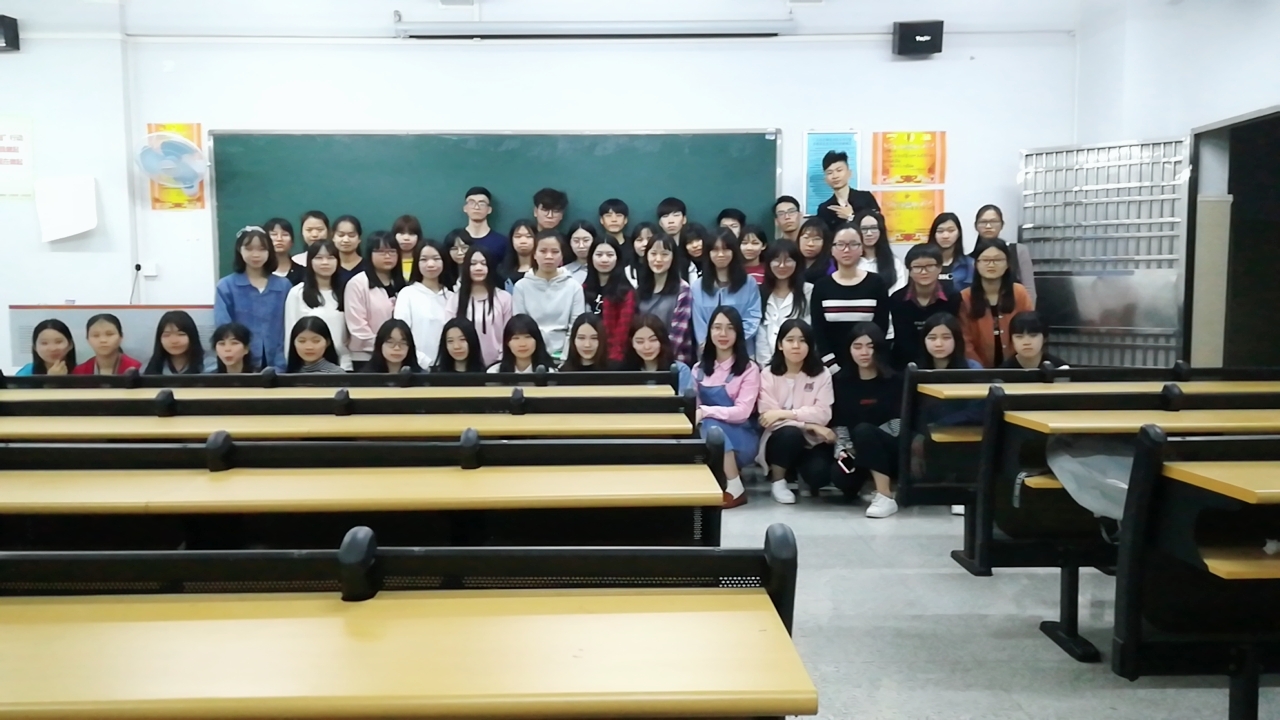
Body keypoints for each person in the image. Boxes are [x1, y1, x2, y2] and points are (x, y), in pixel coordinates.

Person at [756, 319, 835, 505]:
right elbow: (768, 417)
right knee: (790, 434)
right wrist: (808, 425)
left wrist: (784, 414)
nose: (796, 346)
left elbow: (823, 414)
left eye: (802, 340)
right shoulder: (768, 374)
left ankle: (799, 473)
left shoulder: (822, 374)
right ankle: (778, 481)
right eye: (790, 340)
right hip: (780, 440)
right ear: (780, 345)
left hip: (813, 442)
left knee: (820, 476)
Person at [828, 323, 902, 518]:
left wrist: (868, 442)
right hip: (855, 450)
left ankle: (885, 496)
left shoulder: (895, 380)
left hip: (889, 447)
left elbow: (898, 423)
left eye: (870, 346)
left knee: (864, 431)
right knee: (840, 477)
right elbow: (839, 424)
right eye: (858, 346)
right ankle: (867, 484)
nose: (864, 352)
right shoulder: (840, 381)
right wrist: (844, 449)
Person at [694, 306, 760, 509]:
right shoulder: (698, 369)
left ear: (738, 333)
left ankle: (735, 487)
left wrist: (706, 411)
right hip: (706, 435)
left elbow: (742, 413)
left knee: (712, 425)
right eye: (717, 327)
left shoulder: (749, 369)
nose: (723, 333)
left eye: (730, 328)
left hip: (742, 437)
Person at [810, 222, 889, 371]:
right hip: (832, 368)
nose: (846, 250)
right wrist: (832, 367)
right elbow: (818, 332)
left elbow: (881, 327)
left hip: (869, 365)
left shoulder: (876, 283)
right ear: (832, 250)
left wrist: (869, 363)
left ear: (861, 249)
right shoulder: (821, 286)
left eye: (853, 244)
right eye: (840, 244)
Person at [214, 226, 291, 372]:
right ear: (239, 250)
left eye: (262, 249)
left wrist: (281, 361)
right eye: (249, 249)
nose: (256, 254)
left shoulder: (283, 286)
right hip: (240, 365)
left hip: (280, 361)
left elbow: (288, 326)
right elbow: (224, 329)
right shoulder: (226, 286)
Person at [511, 230, 585, 361]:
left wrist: (565, 357)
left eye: (555, 252)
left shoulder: (574, 287)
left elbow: (576, 327)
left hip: (565, 356)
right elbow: (521, 327)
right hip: (532, 355)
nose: (549, 256)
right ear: (534, 254)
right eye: (543, 251)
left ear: (562, 255)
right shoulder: (521, 287)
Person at [960, 238, 1034, 368]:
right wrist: (978, 370)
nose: (991, 264)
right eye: (985, 260)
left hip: (1017, 366)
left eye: (998, 260)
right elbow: (965, 340)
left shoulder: (1019, 293)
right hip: (977, 370)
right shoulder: (965, 297)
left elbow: (1030, 329)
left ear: (1007, 264)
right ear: (976, 264)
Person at [889, 244, 961, 369]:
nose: (924, 272)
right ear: (909, 270)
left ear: (939, 268)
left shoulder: (952, 297)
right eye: (917, 267)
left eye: (930, 266)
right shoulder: (897, 299)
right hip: (905, 364)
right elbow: (902, 339)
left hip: (944, 363)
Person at [284, 240, 352, 370]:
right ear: (310, 262)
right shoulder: (297, 293)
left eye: (330, 258)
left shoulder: (346, 291)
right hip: (307, 366)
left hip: (343, 364)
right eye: (319, 258)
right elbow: (290, 333)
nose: (325, 262)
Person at [692, 228, 761, 352]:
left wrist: (732, 341)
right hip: (708, 352)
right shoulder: (698, 286)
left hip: (742, 350)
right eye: (715, 249)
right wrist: (711, 345)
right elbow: (699, 324)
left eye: (725, 249)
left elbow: (752, 318)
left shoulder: (749, 283)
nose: (720, 254)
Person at [344, 231, 402, 370]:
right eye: (381, 251)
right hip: (366, 357)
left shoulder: (402, 284)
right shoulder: (357, 284)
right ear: (370, 254)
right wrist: (384, 345)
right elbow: (358, 327)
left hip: (398, 355)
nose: (387, 256)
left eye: (392, 251)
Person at [394, 238, 455, 368]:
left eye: (436, 259)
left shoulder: (452, 297)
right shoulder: (407, 294)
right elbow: (402, 334)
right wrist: (424, 362)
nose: (430, 264)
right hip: (415, 366)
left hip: (447, 367)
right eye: (424, 259)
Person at [448, 245, 513, 367]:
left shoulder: (504, 298)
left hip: (499, 365)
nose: (478, 268)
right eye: (473, 264)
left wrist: (501, 361)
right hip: (466, 366)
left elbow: (510, 334)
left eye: (483, 263)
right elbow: (449, 335)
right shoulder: (455, 300)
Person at [635, 235, 695, 365]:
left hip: (674, 360)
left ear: (673, 258)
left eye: (664, 254)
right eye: (653, 254)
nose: (658, 259)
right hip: (643, 360)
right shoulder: (640, 289)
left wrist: (658, 361)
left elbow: (678, 335)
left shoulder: (683, 289)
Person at [756, 240, 812, 365]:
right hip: (767, 366)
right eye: (776, 260)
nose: (782, 265)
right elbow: (760, 332)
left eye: (788, 260)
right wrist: (767, 366)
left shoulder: (808, 292)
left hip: (801, 364)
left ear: (797, 263)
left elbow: (810, 330)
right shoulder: (760, 293)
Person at [582, 235, 636, 363]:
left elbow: (623, 331)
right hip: (586, 350)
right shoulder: (583, 288)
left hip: (615, 356)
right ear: (591, 258)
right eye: (599, 255)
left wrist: (613, 358)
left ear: (618, 258)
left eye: (610, 255)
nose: (604, 259)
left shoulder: (626, 292)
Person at [618, 313, 692, 394]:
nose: (647, 347)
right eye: (640, 342)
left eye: (653, 340)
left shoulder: (680, 370)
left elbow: (682, 400)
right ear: (631, 343)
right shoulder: (622, 371)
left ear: (662, 340)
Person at [817, 150, 880, 231]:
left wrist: (851, 216)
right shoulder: (824, 209)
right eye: (829, 173)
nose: (835, 176)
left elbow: (878, 226)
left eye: (839, 170)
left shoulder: (865, 198)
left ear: (849, 173)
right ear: (825, 179)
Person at [72, 313, 141, 375]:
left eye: (109, 334)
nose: (103, 340)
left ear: (121, 337)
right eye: (96, 335)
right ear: (88, 340)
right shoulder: (80, 371)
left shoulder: (135, 368)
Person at [855, 210, 904, 294]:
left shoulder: (894, 262)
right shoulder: (850, 261)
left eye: (874, 228)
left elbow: (899, 292)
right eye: (864, 229)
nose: (869, 233)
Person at [489, 314, 556, 373]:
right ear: (507, 342)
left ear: (537, 340)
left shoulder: (550, 372)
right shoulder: (494, 372)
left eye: (528, 337)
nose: (522, 344)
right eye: (516, 338)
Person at [143, 310, 203, 375]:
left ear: (192, 336)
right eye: (166, 335)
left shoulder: (208, 363)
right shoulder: (149, 365)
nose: (174, 341)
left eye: (181, 334)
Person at [1002, 311, 1069, 369]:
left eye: (1033, 336)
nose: (1026, 342)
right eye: (1019, 337)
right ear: (1012, 339)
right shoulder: (1003, 372)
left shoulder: (1060, 368)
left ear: (1044, 338)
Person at [926, 212, 973, 292]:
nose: (945, 236)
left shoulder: (969, 264)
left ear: (959, 233)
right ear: (934, 234)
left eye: (951, 231)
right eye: (940, 231)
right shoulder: (923, 263)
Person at [462, 187, 508, 262]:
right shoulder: (456, 239)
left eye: (482, 204)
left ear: (489, 209)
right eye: (471, 203)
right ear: (465, 208)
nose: (476, 207)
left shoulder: (501, 242)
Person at [500, 219, 537, 290]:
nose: (523, 241)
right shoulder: (501, 272)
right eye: (518, 236)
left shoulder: (543, 271)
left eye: (529, 236)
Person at [266, 217, 305, 285]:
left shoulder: (304, 273)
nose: (279, 239)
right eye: (274, 234)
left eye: (285, 235)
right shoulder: (258, 272)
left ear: (292, 241)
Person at [796, 217, 832, 284]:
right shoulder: (791, 263)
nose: (810, 244)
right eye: (806, 237)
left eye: (817, 239)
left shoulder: (831, 268)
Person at [331, 215, 364, 286]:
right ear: (333, 237)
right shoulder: (328, 266)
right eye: (341, 235)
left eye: (351, 235)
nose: (346, 240)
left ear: (359, 239)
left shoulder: (370, 267)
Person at [624, 222, 659, 287]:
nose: (645, 244)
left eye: (649, 239)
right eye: (639, 240)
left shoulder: (664, 266)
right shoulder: (627, 270)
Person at [563, 220, 597, 284]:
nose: (581, 246)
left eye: (586, 240)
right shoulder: (563, 272)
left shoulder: (603, 268)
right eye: (576, 241)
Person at [391, 215, 423, 282]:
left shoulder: (423, 261)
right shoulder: (388, 261)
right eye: (401, 233)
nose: (406, 238)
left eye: (411, 234)